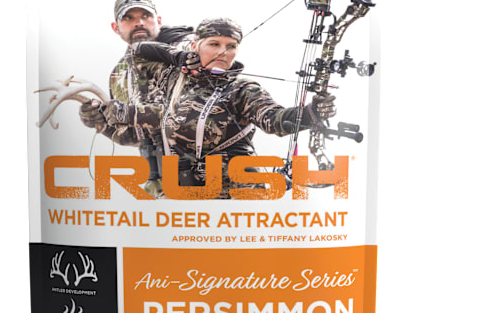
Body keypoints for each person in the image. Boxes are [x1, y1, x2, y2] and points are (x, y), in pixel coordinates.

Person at [101, 17, 336, 198]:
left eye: (231, 46)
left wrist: (310, 113)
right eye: (214, 44)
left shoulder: (242, 89)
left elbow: (275, 119)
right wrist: (177, 57)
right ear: (195, 45)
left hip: (234, 202)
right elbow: (135, 53)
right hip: (186, 198)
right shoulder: (173, 79)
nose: (223, 52)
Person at [78, 0, 194, 198]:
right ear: (116, 28)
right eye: (128, 18)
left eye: (145, 16)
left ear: (158, 20)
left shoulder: (191, 52)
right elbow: (132, 136)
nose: (139, 23)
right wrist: (102, 122)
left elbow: (205, 114)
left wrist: (131, 113)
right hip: (160, 190)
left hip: (207, 180)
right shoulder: (119, 74)